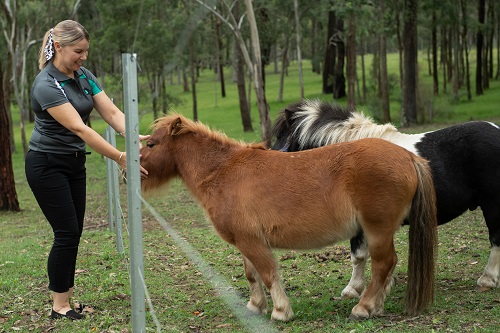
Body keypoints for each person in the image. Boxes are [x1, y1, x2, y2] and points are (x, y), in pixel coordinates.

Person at [25, 20, 149, 320]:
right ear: (60, 47)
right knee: (66, 233)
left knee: (74, 232)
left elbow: (111, 112)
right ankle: (59, 305)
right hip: (46, 164)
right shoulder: (46, 84)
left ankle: (65, 299)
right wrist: (120, 156)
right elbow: (80, 129)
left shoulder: (82, 75)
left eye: (86, 51)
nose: (83, 57)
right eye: (78, 51)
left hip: (74, 163)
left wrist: (133, 137)